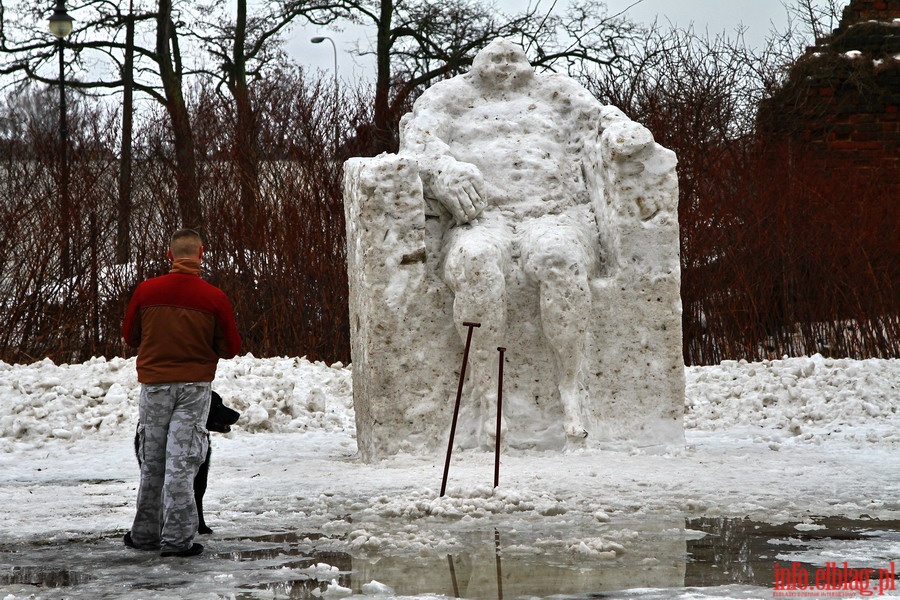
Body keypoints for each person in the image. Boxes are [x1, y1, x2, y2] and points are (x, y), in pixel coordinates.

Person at [399, 38, 607, 443]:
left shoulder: (557, 92)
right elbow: (417, 142)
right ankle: (489, 397)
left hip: (553, 211)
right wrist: (443, 170)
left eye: (514, 57)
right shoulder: (450, 97)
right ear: (477, 63)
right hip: (482, 218)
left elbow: (603, 121)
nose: (506, 64)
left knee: (559, 257)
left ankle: (570, 392)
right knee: (476, 261)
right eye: (495, 57)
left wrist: (626, 133)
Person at [122, 228, 241, 557]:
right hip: (193, 388)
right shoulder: (214, 297)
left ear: (170, 255)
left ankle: (144, 534)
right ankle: (176, 540)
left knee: (152, 462)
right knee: (182, 463)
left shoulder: (146, 291)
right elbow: (230, 347)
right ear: (201, 254)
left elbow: (130, 335)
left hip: (154, 386)